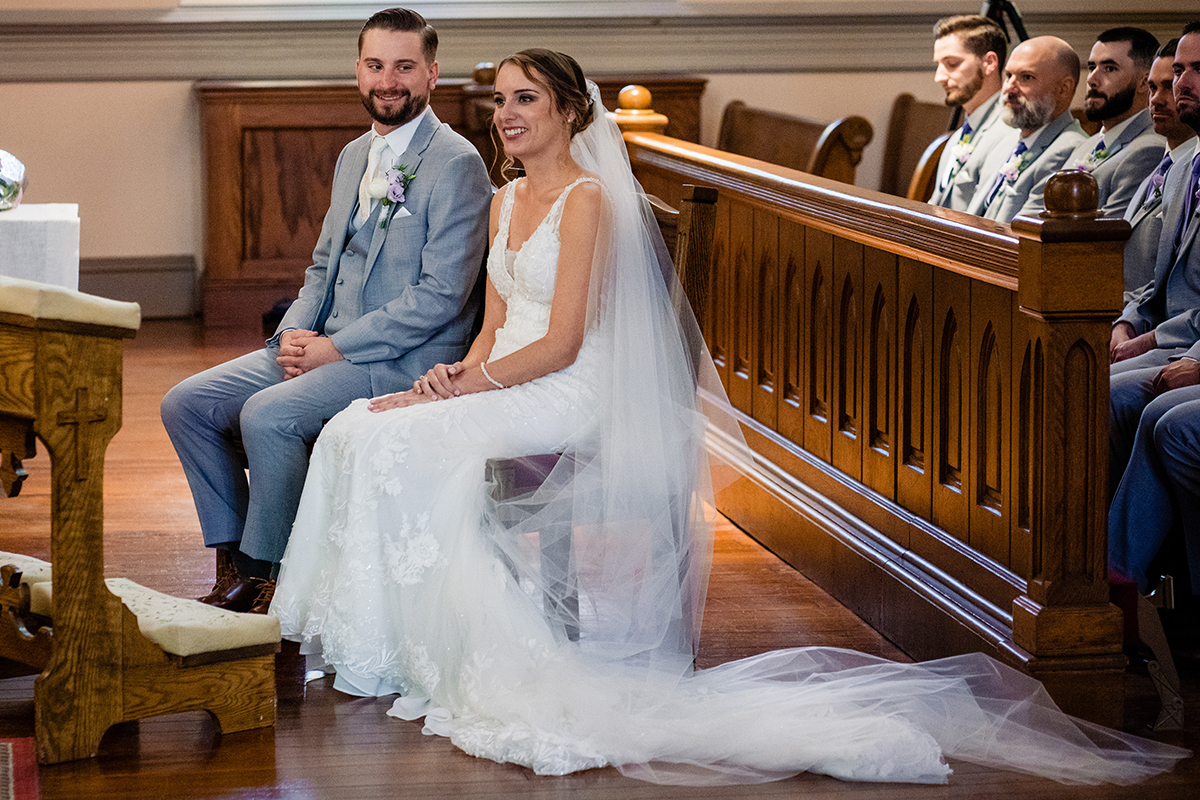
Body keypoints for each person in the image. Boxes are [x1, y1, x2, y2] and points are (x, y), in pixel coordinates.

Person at [271, 49, 1187, 786]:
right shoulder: (507, 196)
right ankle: (384, 647)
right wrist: (440, 379)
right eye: (502, 101)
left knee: (401, 449)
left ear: (567, 115)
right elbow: (497, 326)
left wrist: (468, 393)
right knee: (365, 427)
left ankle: (441, 654)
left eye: (528, 101)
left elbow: (557, 345)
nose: (508, 115)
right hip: (505, 375)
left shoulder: (587, 202)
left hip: (563, 387)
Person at [160, 8, 491, 612]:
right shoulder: (353, 156)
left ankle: (272, 579)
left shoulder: (458, 164)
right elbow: (321, 268)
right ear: (357, 71)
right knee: (188, 404)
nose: (388, 80)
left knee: (266, 415)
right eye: (375, 65)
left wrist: (334, 348)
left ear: (432, 74)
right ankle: (236, 559)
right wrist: (293, 336)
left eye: (404, 66)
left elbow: (442, 296)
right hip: (324, 341)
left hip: (403, 358)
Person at [1109, 22, 1200, 600]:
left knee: (1150, 410)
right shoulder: (1188, 166)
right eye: (1178, 70)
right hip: (1176, 333)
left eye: (1194, 72)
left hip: (1188, 338)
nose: (1178, 83)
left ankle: (1120, 582)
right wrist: (1130, 321)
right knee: (1088, 383)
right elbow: (1157, 275)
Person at [968, 36, 1087, 222]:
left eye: (1026, 77)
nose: (1009, 88)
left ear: (1064, 88)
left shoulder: (1069, 151)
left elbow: (1020, 238)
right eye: (1008, 76)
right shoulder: (1006, 141)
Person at [1062, 28, 1164, 221]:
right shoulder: (1086, 145)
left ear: (1144, 82)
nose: (1092, 79)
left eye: (1109, 68)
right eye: (1092, 67)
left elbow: (1105, 238)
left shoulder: (1148, 150)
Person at [1123, 38, 1198, 296]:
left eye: (1168, 86)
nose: (1156, 99)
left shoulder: (1187, 170)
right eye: (1152, 87)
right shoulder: (1165, 167)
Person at [928, 15, 1009, 212]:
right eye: (938, 65)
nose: (939, 77)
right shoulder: (958, 136)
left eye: (952, 63)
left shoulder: (1009, 132)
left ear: (989, 63)